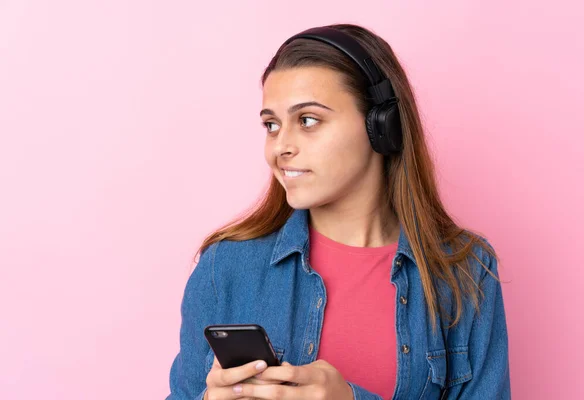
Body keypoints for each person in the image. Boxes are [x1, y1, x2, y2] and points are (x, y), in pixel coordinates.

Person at [166, 23, 510, 400]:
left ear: (382, 126)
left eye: (307, 120)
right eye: (271, 125)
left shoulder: (465, 271)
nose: (280, 147)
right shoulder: (225, 267)